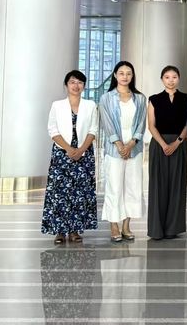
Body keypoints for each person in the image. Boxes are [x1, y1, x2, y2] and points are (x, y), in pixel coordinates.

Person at [41, 70, 99, 244]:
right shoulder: (57, 105)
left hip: (84, 153)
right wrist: (69, 149)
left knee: (80, 191)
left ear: (84, 86)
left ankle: (75, 230)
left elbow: (93, 129)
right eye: (72, 82)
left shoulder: (90, 105)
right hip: (62, 153)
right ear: (66, 85)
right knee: (59, 192)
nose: (76, 85)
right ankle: (59, 231)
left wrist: (81, 150)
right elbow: (52, 129)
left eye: (80, 82)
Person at [98, 61, 147, 242]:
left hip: (134, 149)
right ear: (115, 75)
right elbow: (107, 123)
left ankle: (126, 225)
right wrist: (119, 145)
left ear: (132, 76)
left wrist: (131, 144)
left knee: (133, 187)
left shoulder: (140, 98)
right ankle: (114, 225)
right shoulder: (106, 98)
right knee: (114, 187)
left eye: (128, 73)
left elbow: (141, 123)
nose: (125, 76)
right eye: (121, 73)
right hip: (114, 150)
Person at [146, 65, 187, 241]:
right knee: (158, 185)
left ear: (178, 78)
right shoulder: (154, 99)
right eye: (167, 77)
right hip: (159, 145)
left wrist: (177, 142)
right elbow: (151, 125)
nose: (171, 80)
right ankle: (156, 229)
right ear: (162, 79)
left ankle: (173, 228)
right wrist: (164, 144)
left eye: (174, 77)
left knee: (177, 184)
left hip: (179, 144)